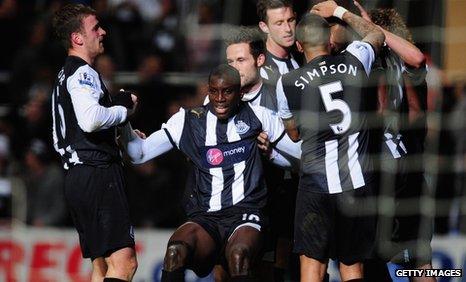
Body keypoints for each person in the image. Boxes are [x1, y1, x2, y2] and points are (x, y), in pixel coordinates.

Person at [120, 64, 300, 282]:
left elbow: (300, 155)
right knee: (175, 252)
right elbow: (139, 154)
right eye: (214, 91)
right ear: (208, 90)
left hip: (246, 214)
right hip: (206, 217)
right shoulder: (188, 120)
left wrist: (271, 153)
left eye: (227, 91)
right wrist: (123, 119)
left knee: (238, 255)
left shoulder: (259, 116)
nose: (220, 98)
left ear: (240, 93)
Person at [276, 1, 385, 280]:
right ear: (330, 39)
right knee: (352, 267)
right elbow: (377, 34)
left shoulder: (287, 82)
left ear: (299, 46)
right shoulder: (356, 58)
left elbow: (294, 134)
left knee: (313, 266)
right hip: (357, 183)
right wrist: (339, 11)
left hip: (316, 186)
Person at [51, 4, 138, 282]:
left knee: (101, 268)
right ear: (78, 38)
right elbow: (90, 120)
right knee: (125, 265)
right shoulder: (82, 72)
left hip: (78, 176)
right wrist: (123, 108)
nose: (103, 32)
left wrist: (117, 134)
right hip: (98, 174)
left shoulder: (65, 73)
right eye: (95, 28)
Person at [351, 3, 434, 281]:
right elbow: (415, 113)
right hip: (412, 172)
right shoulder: (407, 65)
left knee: (370, 259)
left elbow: (386, 111)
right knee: (420, 262)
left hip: (382, 171)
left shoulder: (373, 62)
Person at [257, 0, 300, 85]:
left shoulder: (303, 54)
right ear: (264, 27)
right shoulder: (260, 70)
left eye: (291, 20)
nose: (288, 29)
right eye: (279, 23)